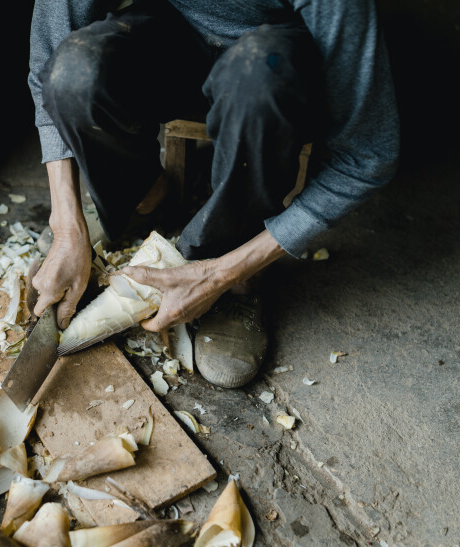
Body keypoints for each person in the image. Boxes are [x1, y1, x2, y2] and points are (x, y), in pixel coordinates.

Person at [28, 0, 399, 388]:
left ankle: (234, 269)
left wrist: (223, 273)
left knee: (258, 80)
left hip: (274, 67)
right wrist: (66, 223)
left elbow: (366, 156)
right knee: (74, 71)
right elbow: (48, 54)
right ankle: (145, 198)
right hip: (178, 31)